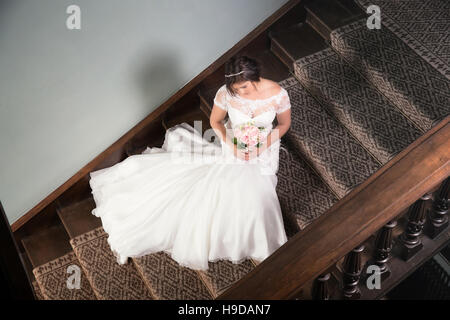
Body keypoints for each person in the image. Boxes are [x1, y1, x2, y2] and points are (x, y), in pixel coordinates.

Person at [89, 55, 292, 271]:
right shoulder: (225, 93)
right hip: (234, 147)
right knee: (233, 184)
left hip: (264, 149)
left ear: (255, 78)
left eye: (243, 87)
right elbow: (215, 121)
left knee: (256, 186)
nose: (240, 92)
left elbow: (283, 124)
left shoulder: (277, 94)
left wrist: (261, 146)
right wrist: (232, 144)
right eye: (235, 89)